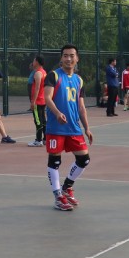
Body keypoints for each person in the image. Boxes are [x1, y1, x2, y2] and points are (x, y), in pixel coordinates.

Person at [44, 44, 93, 211]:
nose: (68, 58)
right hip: (56, 127)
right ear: (61, 58)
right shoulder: (53, 75)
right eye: (65, 55)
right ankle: (58, 196)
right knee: (55, 161)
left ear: (77, 58)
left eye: (72, 55)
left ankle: (67, 186)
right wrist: (57, 113)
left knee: (84, 159)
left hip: (73, 127)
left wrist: (87, 128)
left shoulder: (79, 80)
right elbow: (47, 98)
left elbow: (81, 107)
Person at [28, 56, 47, 147]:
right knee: (43, 120)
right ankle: (46, 139)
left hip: (38, 101)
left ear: (37, 62)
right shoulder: (44, 72)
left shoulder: (38, 73)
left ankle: (38, 140)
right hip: (43, 100)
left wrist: (33, 101)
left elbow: (37, 88)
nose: (33, 62)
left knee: (38, 121)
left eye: (34, 60)